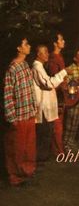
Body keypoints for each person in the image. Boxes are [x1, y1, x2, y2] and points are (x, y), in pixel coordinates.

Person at [4, 35, 37, 186]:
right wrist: (12, 118)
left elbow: (30, 89)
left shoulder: (25, 65)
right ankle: (15, 176)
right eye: (26, 43)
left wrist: (33, 108)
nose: (29, 46)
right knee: (16, 148)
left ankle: (27, 171)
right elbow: (8, 95)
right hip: (19, 116)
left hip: (29, 114)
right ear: (19, 48)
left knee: (28, 147)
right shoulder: (12, 69)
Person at [32, 45, 69, 161]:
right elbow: (48, 84)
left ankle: (43, 159)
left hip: (46, 106)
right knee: (44, 135)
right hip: (43, 107)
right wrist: (63, 72)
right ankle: (39, 161)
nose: (47, 54)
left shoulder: (41, 67)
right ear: (38, 54)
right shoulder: (37, 67)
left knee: (47, 134)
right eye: (45, 52)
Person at [47, 32, 66, 155]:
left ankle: (57, 149)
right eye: (61, 39)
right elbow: (55, 79)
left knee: (59, 123)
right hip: (56, 95)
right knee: (57, 124)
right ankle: (59, 151)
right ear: (55, 43)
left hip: (61, 94)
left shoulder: (59, 56)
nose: (63, 41)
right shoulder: (53, 59)